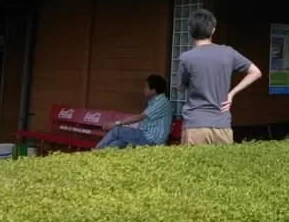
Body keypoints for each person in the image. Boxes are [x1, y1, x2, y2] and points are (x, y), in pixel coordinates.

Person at [178, 9, 262, 146]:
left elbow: (181, 88)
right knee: (222, 167)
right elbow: (256, 72)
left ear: (190, 31)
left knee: (193, 166)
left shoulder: (186, 58)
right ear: (213, 30)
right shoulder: (228, 53)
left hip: (195, 123)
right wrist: (231, 94)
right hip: (222, 124)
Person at [95, 75, 172, 149]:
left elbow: (140, 117)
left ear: (154, 90)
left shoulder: (162, 102)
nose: (144, 89)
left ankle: (94, 153)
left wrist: (115, 123)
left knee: (117, 130)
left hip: (152, 140)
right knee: (116, 143)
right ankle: (99, 158)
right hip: (144, 136)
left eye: (146, 87)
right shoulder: (154, 101)